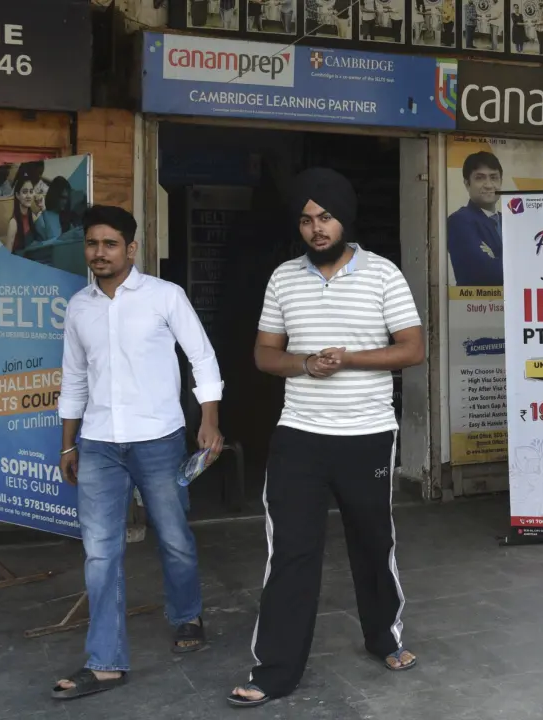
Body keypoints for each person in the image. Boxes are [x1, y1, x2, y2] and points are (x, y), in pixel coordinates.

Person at [228, 168, 425, 709]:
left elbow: (412, 348)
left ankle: (384, 638)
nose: (316, 229)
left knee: (372, 541)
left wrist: (348, 359)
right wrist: (303, 364)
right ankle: (275, 670)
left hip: (367, 435)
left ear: (345, 219)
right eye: (306, 220)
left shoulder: (383, 274)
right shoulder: (283, 278)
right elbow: (264, 354)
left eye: (326, 217)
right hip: (300, 435)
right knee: (290, 552)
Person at [52, 205, 224, 701]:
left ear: (130, 248)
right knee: (100, 552)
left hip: (158, 439)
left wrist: (209, 419)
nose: (99, 253)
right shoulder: (79, 307)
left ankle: (187, 615)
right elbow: (74, 378)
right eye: (92, 244)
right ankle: (106, 661)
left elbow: (202, 357)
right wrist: (68, 442)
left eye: (109, 244)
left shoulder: (165, 296)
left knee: (173, 537)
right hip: (99, 443)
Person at [447, 152, 504, 286]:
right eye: (480, 178)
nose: (488, 185)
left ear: (501, 181)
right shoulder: (459, 221)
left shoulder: (511, 221)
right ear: (467, 184)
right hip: (478, 299)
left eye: (494, 177)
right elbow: (485, 272)